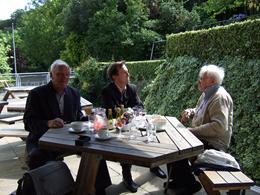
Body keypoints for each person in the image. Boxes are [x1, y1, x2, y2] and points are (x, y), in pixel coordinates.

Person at [24, 59, 111, 195]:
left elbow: (76, 118)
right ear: (51, 75)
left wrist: (90, 118)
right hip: (43, 140)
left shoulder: (74, 93)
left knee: (96, 151)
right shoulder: (37, 94)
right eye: (59, 74)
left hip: (69, 140)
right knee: (36, 157)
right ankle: (52, 190)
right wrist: (48, 123)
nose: (64, 78)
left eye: (67, 74)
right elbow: (28, 122)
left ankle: (100, 190)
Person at [166, 64, 233, 194]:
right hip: (201, 138)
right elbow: (201, 110)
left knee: (178, 146)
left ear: (212, 81)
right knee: (174, 140)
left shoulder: (220, 97)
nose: (199, 80)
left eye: (202, 78)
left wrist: (192, 131)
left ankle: (190, 184)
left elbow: (219, 126)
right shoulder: (206, 94)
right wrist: (191, 111)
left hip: (214, 143)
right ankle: (180, 180)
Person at [101, 61, 166, 193]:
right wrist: (129, 112)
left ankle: (154, 166)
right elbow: (113, 112)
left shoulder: (132, 88)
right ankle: (127, 177)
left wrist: (130, 112)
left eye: (127, 71)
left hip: (135, 123)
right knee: (126, 144)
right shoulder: (107, 91)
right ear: (114, 76)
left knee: (151, 133)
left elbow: (140, 106)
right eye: (124, 72)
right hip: (117, 127)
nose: (128, 74)